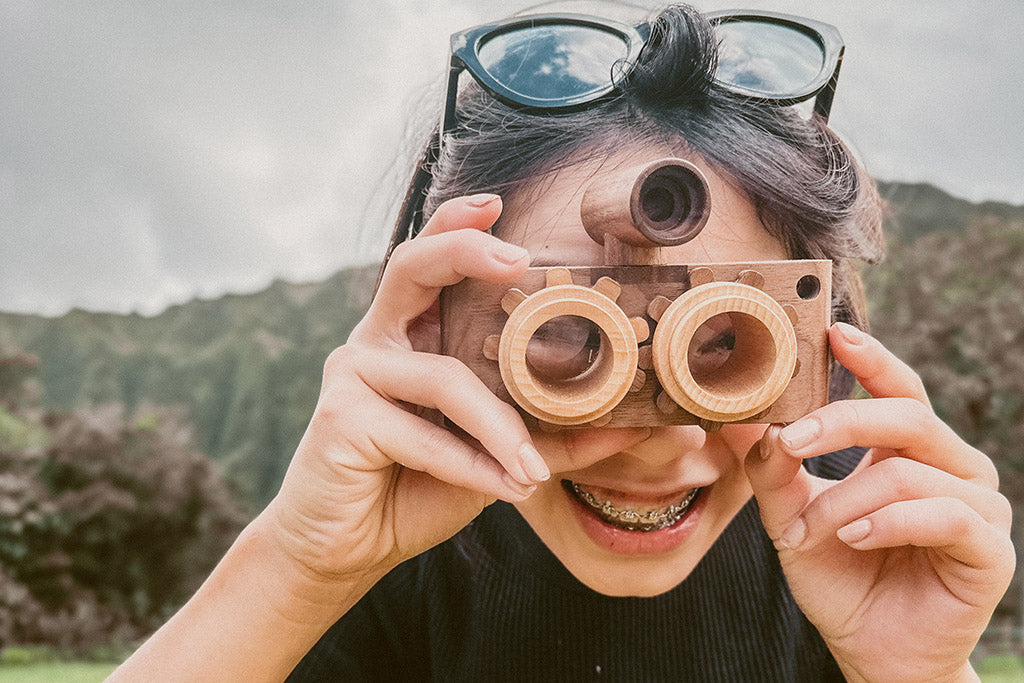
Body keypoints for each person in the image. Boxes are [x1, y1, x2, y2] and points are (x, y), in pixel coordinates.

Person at [111, 3, 1014, 681]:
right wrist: (297, 566)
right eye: (568, 336)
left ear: (823, 345)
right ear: (441, 327)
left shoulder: (851, 561)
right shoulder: (389, 564)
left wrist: (922, 674)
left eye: (724, 344)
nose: (659, 440)